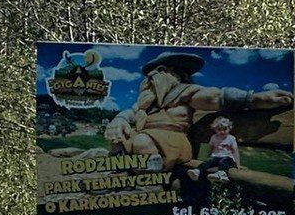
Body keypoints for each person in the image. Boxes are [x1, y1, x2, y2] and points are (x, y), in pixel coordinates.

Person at [103, 51, 292, 175]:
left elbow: (216, 98)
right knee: (119, 138)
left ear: (171, 73)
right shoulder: (146, 102)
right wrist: (119, 119)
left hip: (171, 142)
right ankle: (129, 171)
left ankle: (148, 177)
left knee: (141, 140)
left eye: (157, 74)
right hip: (147, 142)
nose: (150, 80)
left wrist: (254, 99)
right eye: (149, 77)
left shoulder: (186, 92)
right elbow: (131, 112)